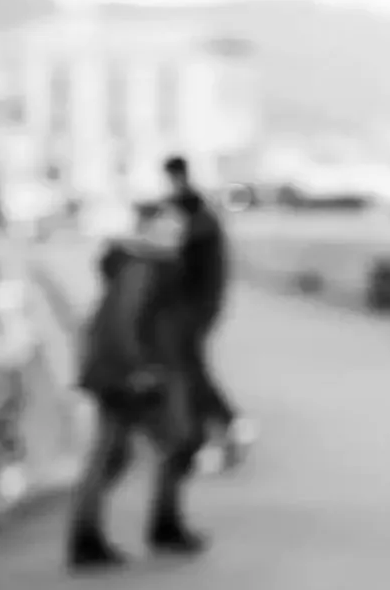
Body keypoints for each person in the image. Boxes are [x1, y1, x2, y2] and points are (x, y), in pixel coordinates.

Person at [65, 202, 210, 568]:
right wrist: (138, 369)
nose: (176, 238)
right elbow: (122, 323)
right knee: (146, 448)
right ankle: (96, 537)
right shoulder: (142, 267)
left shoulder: (147, 265)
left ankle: (114, 533)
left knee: (135, 450)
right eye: (168, 230)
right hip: (131, 375)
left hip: (136, 371)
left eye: (178, 232)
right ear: (146, 229)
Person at [161, 155, 255, 470]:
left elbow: (179, 256)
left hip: (196, 304)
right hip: (201, 302)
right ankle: (222, 426)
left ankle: (222, 426)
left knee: (189, 368)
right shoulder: (197, 210)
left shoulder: (195, 213)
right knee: (189, 367)